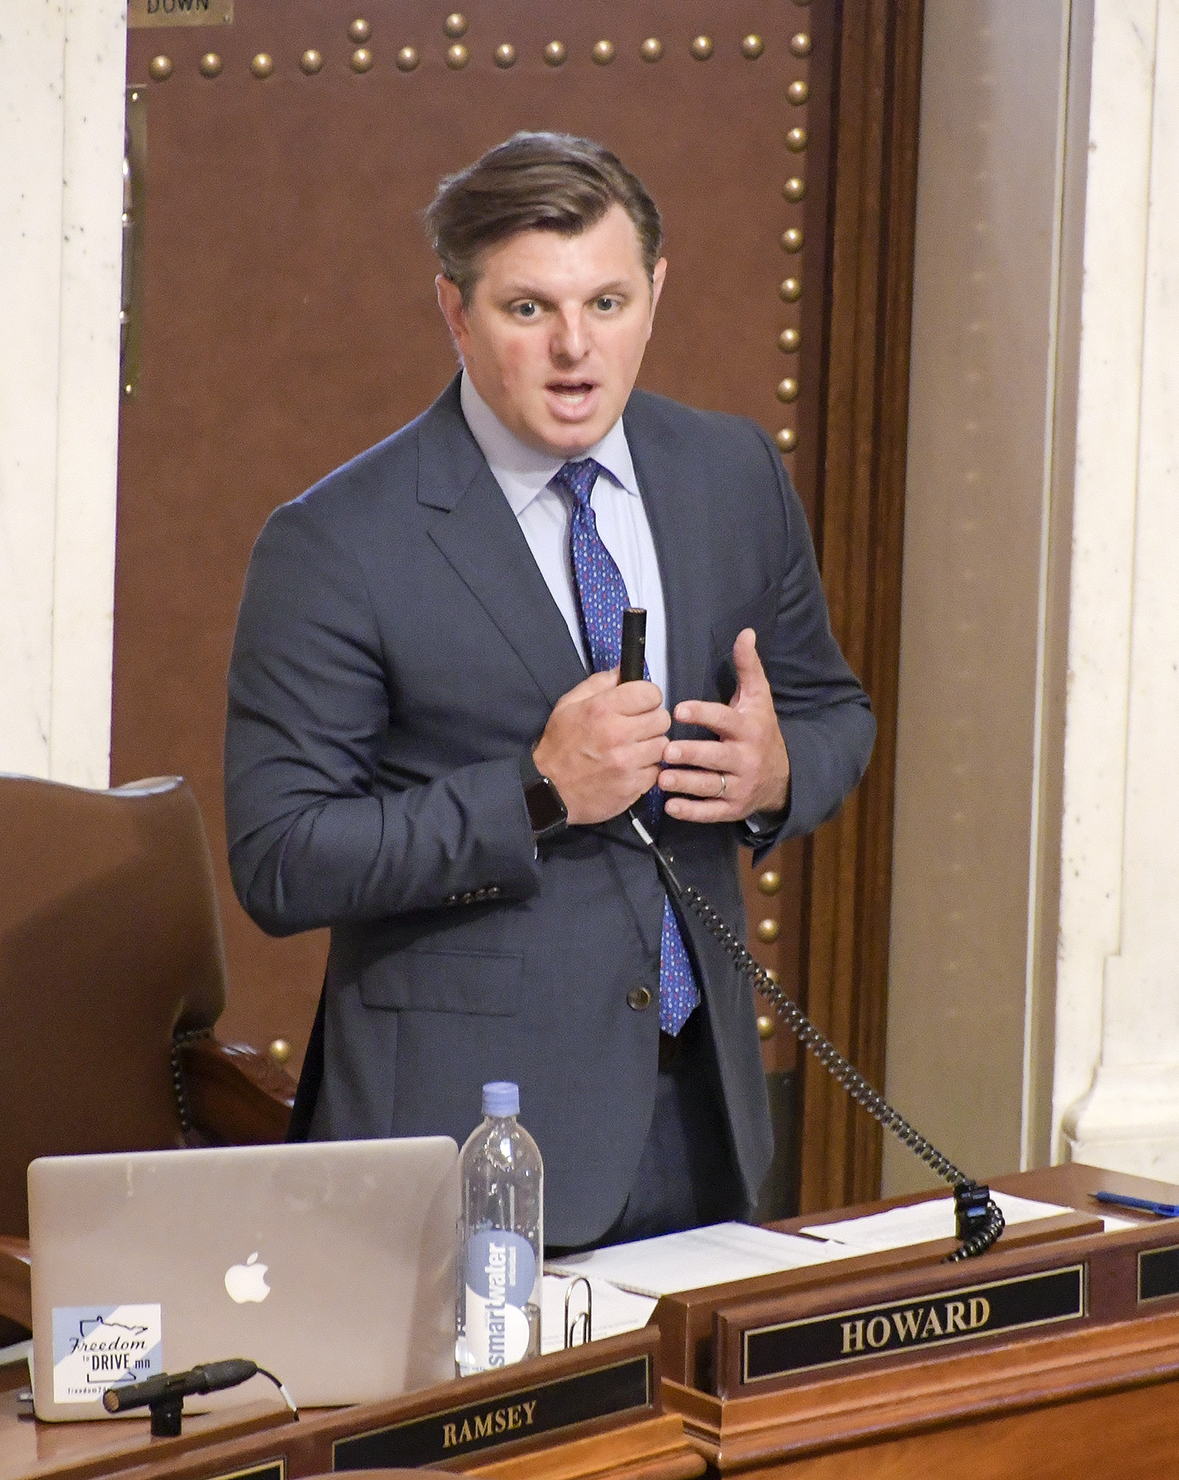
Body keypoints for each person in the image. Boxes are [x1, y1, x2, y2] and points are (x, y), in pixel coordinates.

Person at [224, 132, 874, 1250]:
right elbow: (282, 857)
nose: (577, 350)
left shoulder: (730, 473)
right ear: (455, 310)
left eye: (609, 302)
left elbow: (834, 713)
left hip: (707, 1112)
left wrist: (774, 773)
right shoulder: (336, 542)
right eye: (530, 311)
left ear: (656, 293)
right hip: (468, 1143)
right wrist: (533, 793)